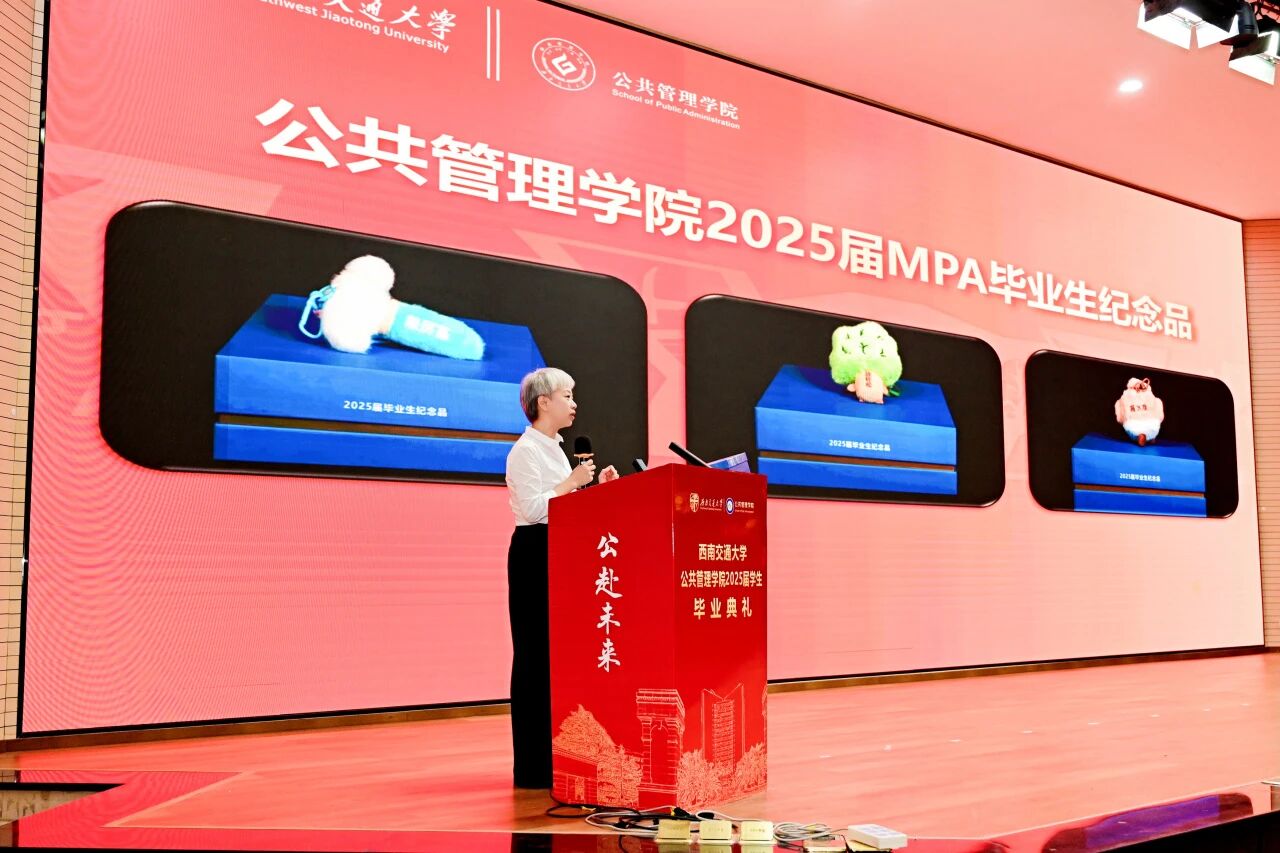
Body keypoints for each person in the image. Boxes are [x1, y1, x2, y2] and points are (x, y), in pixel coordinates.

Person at [505, 367, 618, 788]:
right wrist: (572, 482)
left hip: (561, 554)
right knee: (534, 658)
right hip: (534, 555)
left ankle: (559, 757)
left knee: (558, 659)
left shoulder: (555, 448)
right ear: (543, 402)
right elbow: (535, 510)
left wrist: (596, 489)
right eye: (567, 395)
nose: (574, 404)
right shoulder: (525, 451)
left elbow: (565, 508)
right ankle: (532, 768)